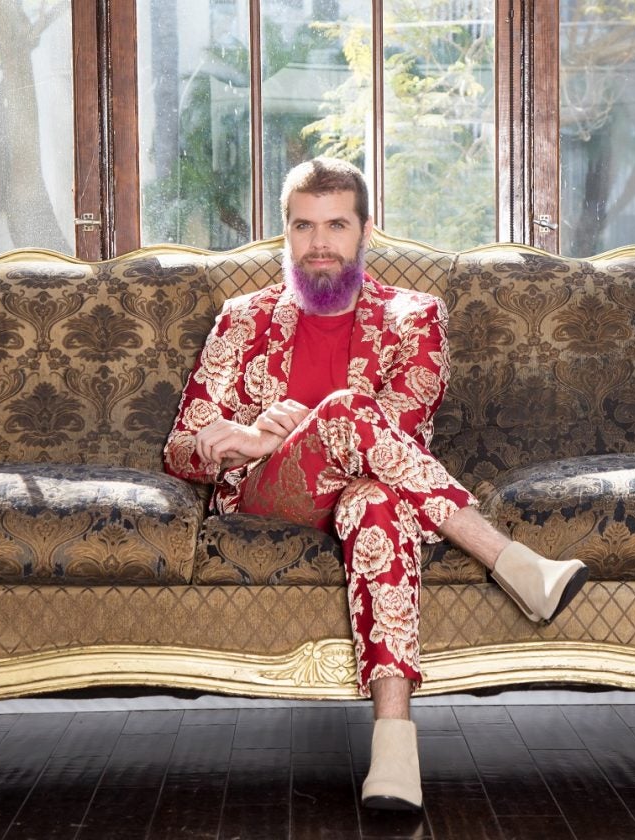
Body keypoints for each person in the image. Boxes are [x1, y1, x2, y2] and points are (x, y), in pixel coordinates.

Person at [164, 157, 588, 811]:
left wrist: (293, 428)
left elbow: (395, 430)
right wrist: (245, 442)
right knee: (346, 414)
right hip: (269, 495)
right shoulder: (242, 318)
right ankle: (513, 563)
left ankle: (394, 751)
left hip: (371, 490)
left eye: (336, 225)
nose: (319, 243)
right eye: (304, 226)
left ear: (366, 231)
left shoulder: (415, 316)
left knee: (376, 501)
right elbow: (181, 450)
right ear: (285, 233)